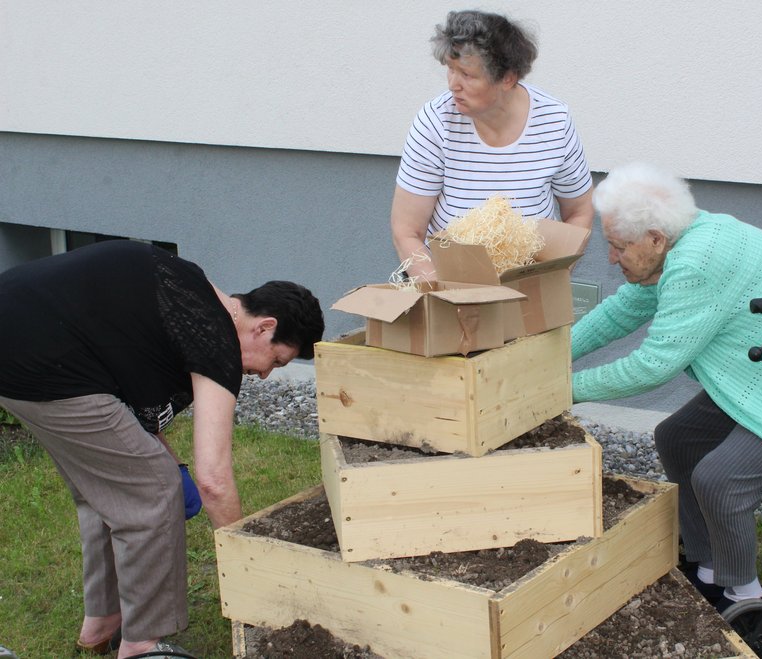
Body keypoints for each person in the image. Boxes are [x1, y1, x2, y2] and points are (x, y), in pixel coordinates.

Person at [570, 163, 762, 611]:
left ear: (655, 238)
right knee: (676, 438)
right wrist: (554, 355)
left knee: (720, 480)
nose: (610, 258)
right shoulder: (687, 238)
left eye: (617, 247)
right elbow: (623, 310)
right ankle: (710, 567)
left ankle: (744, 593)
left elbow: (654, 365)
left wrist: (565, 389)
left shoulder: (697, 264)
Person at [0, 240, 324, 657]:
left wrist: (174, 462)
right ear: (264, 327)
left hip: (19, 338)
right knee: (152, 491)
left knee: (108, 486)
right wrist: (245, 562)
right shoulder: (215, 338)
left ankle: (104, 622)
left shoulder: (194, 290)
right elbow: (214, 480)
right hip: (40, 358)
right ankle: (142, 645)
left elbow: (132, 413)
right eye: (276, 361)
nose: (264, 375)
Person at [391, 9, 594, 279]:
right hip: (451, 288)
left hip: (529, 291)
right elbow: (407, 232)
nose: (453, 84)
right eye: (450, 70)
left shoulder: (554, 121)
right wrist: (442, 293)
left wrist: (551, 280)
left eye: (467, 74)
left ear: (507, 78)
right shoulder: (435, 122)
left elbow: (579, 212)